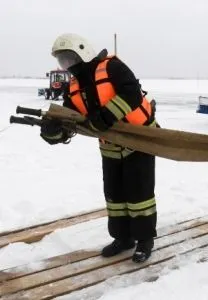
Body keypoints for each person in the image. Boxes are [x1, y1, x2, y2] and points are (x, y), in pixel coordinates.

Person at [40, 33, 158, 263]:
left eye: (69, 59)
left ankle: (144, 240)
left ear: (83, 52)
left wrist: (105, 116)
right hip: (110, 149)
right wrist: (53, 132)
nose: (67, 66)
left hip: (140, 142)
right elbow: (70, 121)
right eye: (62, 61)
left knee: (139, 195)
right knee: (114, 197)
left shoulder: (112, 67)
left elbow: (131, 93)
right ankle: (123, 238)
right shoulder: (73, 87)